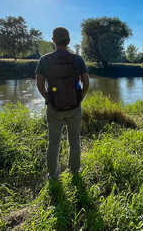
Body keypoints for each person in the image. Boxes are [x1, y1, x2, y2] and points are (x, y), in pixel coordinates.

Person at [36, 27, 89, 179]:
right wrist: (80, 98)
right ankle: (74, 172)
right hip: (74, 107)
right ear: (69, 41)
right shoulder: (77, 59)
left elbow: (39, 84)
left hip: (54, 108)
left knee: (53, 143)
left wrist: (48, 98)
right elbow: (86, 82)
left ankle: (53, 175)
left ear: (53, 40)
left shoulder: (44, 60)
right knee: (74, 141)